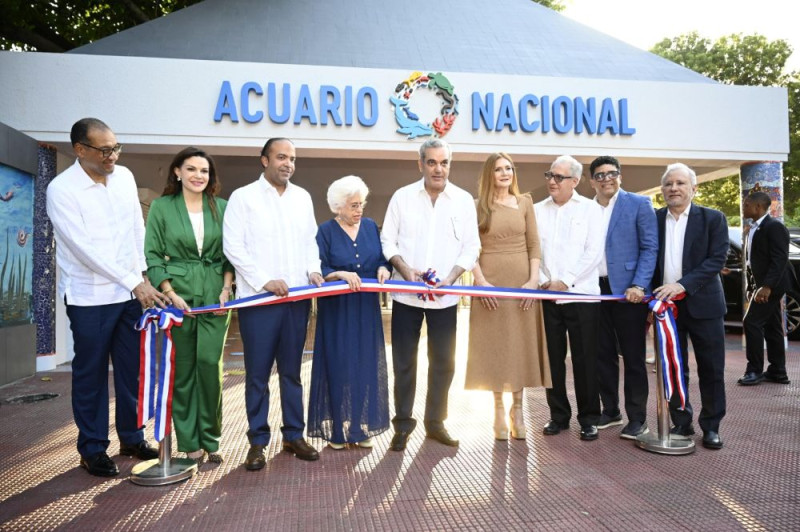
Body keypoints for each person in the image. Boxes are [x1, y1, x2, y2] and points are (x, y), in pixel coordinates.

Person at [46, 118, 167, 477]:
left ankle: (132, 437)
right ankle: (93, 448)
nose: (112, 155)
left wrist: (141, 275)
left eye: (115, 147)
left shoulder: (125, 177)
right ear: (80, 150)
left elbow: (135, 227)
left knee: (131, 371)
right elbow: (85, 250)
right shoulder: (61, 190)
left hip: (129, 293)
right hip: (89, 298)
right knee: (91, 374)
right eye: (104, 150)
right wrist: (135, 281)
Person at [223, 138, 324, 469]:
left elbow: (311, 242)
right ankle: (257, 442)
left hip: (296, 300)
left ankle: (294, 435)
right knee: (257, 375)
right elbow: (233, 247)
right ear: (264, 160)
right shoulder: (243, 198)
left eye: (293, 158)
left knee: (292, 373)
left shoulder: (302, 197)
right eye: (282, 157)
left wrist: (313, 270)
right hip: (259, 300)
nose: (288, 164)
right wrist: (264, 280)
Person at [381, 138, 480, 451]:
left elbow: (471, 246)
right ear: (420, 164)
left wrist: (451, 277)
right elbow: (388, 242)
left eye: (445, 162)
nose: (439, 169)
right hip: (406, 296)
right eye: (433, 162)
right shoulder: (402, 197)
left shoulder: (463, 200)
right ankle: (402, 425)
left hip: (445, 298)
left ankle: (435, 423)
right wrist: (406, 270)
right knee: (404, 362)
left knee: (444, 363)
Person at [144, 147, 234, 464]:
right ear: (177, 172)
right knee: (183, 372)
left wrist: (226, 288)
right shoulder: (162, 207)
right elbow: (153, 254)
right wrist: (168, 291)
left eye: (204, 170)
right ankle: (188, 440)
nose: (198, 175)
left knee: (210, 368)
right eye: (192, 169)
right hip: (177, 298)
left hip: (215, 296)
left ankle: (211, 438)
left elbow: (230, 255)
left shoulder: (222, 207)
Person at [464, 152, 551, 441]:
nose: (505, 173)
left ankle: (518, 409)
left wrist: (532, 282)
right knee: (494, 348)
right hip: (489, 286)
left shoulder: (525, 202)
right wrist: (481, 283)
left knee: (520, 347)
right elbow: (469, 248)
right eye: (499, 169)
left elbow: (534, 245)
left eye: (509, 168)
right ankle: (498, 409)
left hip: (522, 287)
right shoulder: (477, 206)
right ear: (490, 174)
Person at [309, 175, 391, 449]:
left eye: (361, 204)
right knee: (339, 365)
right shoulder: (325, 231)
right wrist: (339, 273)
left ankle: (359, 426)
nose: (359, 210)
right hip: (337, 308)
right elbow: (318, 266)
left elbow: (380, 258)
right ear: (338, 207)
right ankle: (336, 430)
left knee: (365, 364)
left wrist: (383, 268)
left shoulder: (369, 227)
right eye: (353, 205)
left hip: (365, 308)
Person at [652, 162, 729, 450]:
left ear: (693, 189)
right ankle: (680, 422)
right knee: (674, 367)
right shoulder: (654, 219)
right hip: (667, 309)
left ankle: (711, 426)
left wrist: (681, 285)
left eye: (680, 183)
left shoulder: (713, 219)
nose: (674, 188)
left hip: (704, 306)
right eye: (669, 184)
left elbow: (716, 260)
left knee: (711, 369)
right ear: (662, 190)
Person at [588, 156, 658, 440]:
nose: (607, 178)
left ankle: (638, 418)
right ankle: (611, 410)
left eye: (612, 173)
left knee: (633, 356)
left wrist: (640, 285)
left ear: (620, 176)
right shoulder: (586, 209)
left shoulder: (639, 204)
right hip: (594, 290)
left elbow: (649, 247)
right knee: (602, 353)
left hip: (629, 291)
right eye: (600, 175)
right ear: (592, 181)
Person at [535, 155, 604, 442]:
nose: (552, 181)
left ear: (574, 181)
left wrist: (565, 281)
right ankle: (558, 416)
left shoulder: (590, 210)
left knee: (586, 359)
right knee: (552, 360)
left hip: (582, 296)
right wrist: (544, 281)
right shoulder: (537, 210)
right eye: (549, 175)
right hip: (547, 296)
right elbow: (532, 251)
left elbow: (594, 252)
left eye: (558, 177)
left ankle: (589, 419)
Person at [738, 191, 792, 386]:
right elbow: (755, 258)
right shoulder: (754, 227)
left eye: (746, 205)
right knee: (772, 326)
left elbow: (780, 259)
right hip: (762, 284)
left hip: (772, 285)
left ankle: (754, 371)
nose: (743, 207)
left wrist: (767, 286)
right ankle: (778, 371)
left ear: (758, 207)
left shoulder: (774, 226)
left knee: (751, 322)